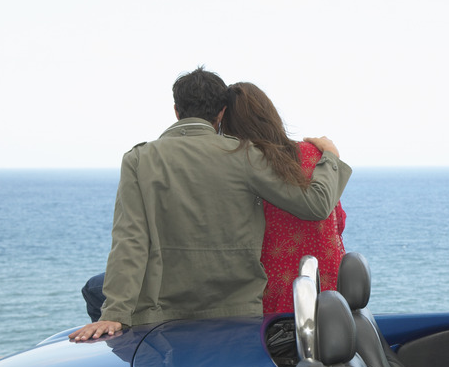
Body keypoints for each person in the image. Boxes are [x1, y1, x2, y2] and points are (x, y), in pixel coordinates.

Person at [70, 67, 351, 341]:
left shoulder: (138, 160)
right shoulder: (244, 155)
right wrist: (330, 158)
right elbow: (315, 205)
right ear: (220, 114)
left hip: (162, 307)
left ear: (176, 111)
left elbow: (130, 240)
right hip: (236, 307)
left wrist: (115, 313)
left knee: (94, 288)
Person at [222, 82, 346, 313]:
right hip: (328, 288)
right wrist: (330, 154)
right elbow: (339, 221)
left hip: (272, 292)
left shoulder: (241, 165)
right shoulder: (315, 154)